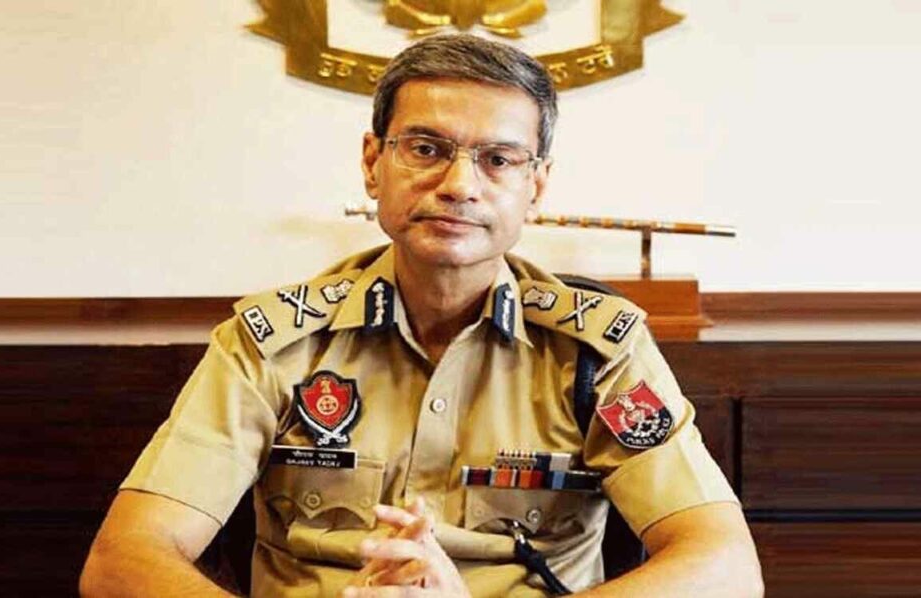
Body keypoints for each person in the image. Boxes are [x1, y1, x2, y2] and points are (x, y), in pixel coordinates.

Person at [80, 34, 763, 597]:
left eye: (498, 159)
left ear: (535, 186)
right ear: (373, 162)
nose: (459, 185)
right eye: (426, 149)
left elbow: (724, 567)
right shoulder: (272, 344)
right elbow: (123, 561)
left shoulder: (597, 350)